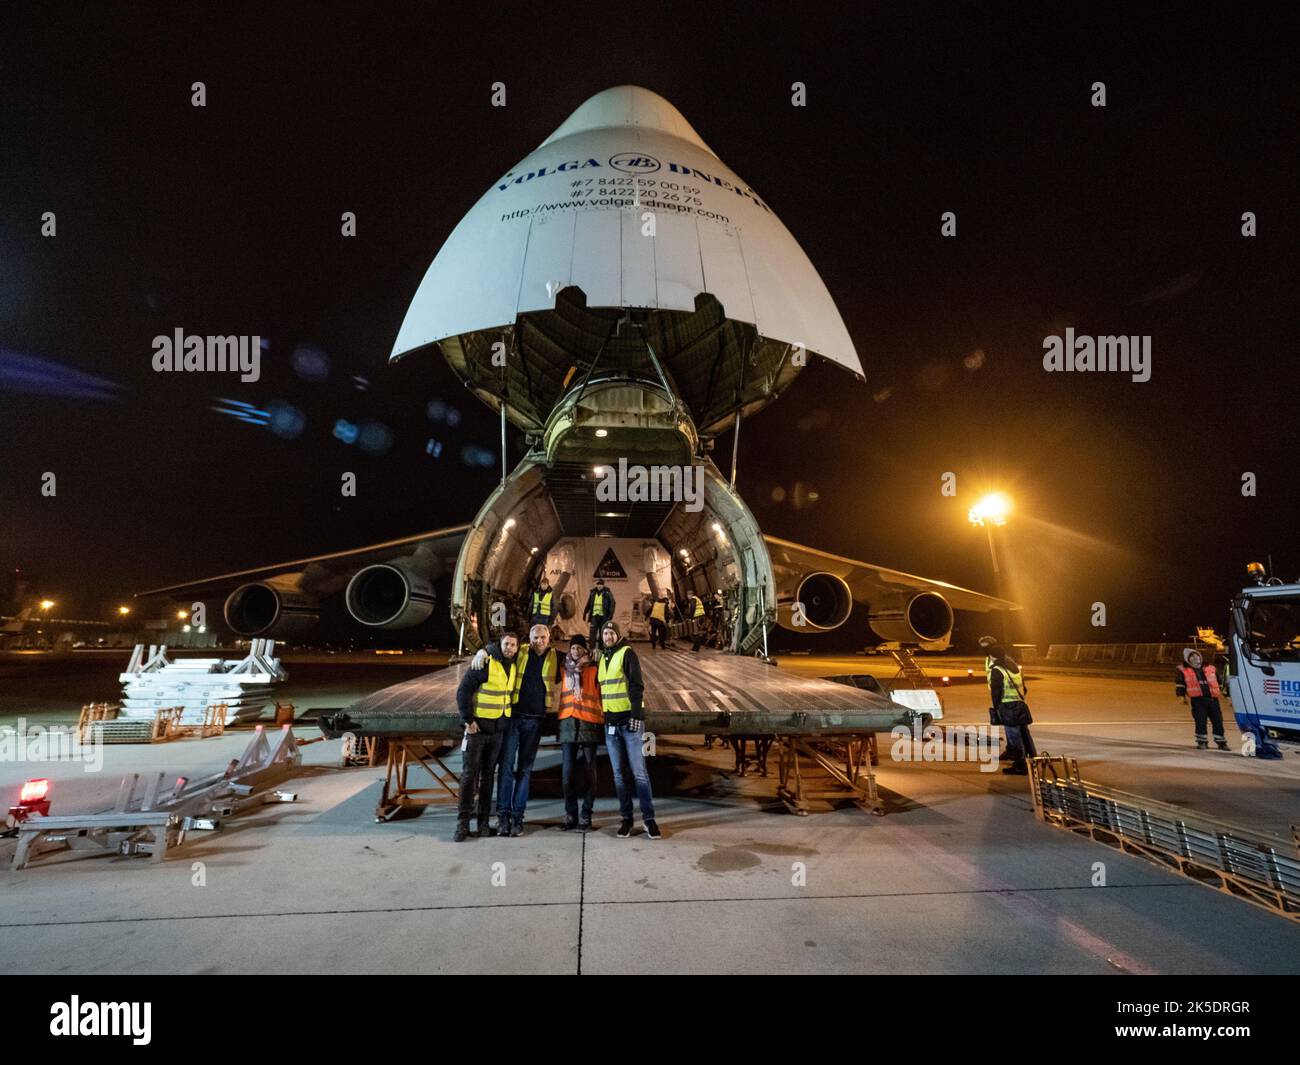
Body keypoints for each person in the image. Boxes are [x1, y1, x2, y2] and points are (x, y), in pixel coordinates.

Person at [475, 624, 557, 836]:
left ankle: (517, 817)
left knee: (525, 770)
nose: (539, 641)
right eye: (535, 637)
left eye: (542, 637)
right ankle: (503, 816)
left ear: (549, 639)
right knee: (506, 768)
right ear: (529, 639)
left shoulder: (556, 655)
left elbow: (579, 654)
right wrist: (482, 651)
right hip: (514, 719)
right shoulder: (520, 651)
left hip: (535, 721)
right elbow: (500, 647)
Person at [453, 631, 519, 841]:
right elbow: (463, 691)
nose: (509, 648)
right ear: (500, 645)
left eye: (513, 645)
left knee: (488, 778)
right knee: (469, 777)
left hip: (497, 731)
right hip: (478, 731)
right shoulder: (486, 662)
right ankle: (462, 825)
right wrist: (467, 720)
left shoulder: (513, 666)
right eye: (506, 644)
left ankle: (482, 824)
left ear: (517, 648)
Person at [597, 621, 660, 839]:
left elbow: (636, 685)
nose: (607, 636)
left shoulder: (627, 654)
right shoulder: (602, 658)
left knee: (639, 773)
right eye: (605, 633)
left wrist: (636, 715)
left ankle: (649, 820)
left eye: (611, 633)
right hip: (611, 725)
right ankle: (626, 819)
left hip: (629, 724)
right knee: (618, 776)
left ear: (617, 635)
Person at [557, 634, 602, 830]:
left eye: (579, 648)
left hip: (589, 724)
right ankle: (570, 814)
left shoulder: (594, 669)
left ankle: (586, 815)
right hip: (568, 724)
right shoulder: (564, 668)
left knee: (589, 774)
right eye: (572, 648)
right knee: (567, 774)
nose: (575, 651)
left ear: (585, 650)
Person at [987, 643, 1035, 774]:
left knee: (1014, 737)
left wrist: (997, 708)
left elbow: (996, 692)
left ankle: (1021, 765)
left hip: (1007, 707)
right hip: (1020, 704)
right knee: (1025, 734)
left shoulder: (997, 670)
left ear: (992, 656)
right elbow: (1024, 688)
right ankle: (1033, 761)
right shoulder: (1014, 668)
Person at [1176, 648, 1230, 750]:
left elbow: (1220, 683)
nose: (1196, 658)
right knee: (1200, 721)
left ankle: (1221, 742)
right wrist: (1181, 696)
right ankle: (1202, 741)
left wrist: (1227, 696)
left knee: (1218, 721)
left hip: (1213, 699)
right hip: (1198, 700)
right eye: (1192, 657)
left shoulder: (1211, 668)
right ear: (1188, 659)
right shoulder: (1183, 670)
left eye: (1197, 656)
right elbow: (1180, 684)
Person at [582, 578, 615, 649]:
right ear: (596, 585)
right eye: (598, 584)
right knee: (592, 634)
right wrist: (585, 613)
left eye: (601, 584)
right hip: (594, 616)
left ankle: (601, 650)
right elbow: (588, 603)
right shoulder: (593, 593)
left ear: (603, 585)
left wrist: (610, 615)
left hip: (603, 617)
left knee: (602, 634)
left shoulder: (607, 592)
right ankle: (591, 650)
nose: (599, 586)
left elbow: (612, 603)